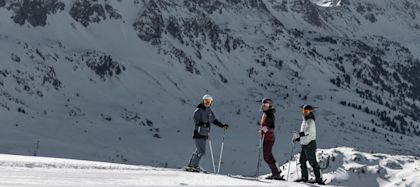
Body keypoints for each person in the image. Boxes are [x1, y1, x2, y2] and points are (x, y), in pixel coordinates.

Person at [186, 94, 229, 172]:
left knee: (199, 150)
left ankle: (191, 165)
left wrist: (222, 125)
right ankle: (194, 166)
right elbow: (195, 119)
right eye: (206, 101)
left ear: (211, 103)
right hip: (198, 133)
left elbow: (213, 120)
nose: (207, 103)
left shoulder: (208, 110)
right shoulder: (199, 110)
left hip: (204, 133)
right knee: (201, 151)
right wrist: (203, 124)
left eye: (208, 102)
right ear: (203, 101)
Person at [293, 105, 324, 185]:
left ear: (310, 112)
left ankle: (319, 179)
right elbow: (304, 134)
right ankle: (304, 177)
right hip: (305, 144)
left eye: (306, 111)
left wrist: (298, 135)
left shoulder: (311, 121)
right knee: (302, 161)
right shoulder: (305, 121)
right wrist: (298, 138)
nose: (305, 113)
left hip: (310, 144)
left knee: (312, 162)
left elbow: (307, 132)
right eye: (304, 111)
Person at [260, 98, 283, 180]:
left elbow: (272, 127)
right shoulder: (265, 114)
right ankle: (277, 172)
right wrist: (262, 130)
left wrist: (266, 129)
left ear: (270, 106)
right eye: (263, 105)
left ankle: (276, 173)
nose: (264, 106)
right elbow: (265, 126)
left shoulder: (270, 115)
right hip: (266, 138)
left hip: (269, 139)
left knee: (266, 157)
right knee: (269, 156)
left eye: (266, 105)